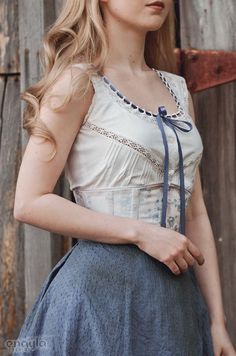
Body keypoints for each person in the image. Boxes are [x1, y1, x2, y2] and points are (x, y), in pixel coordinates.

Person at [12, 0, 236, 355]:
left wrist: (217, 322)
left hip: (175, 300)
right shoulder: (77, 83)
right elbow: (29, 202)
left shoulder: (178, 90)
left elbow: (195, 215)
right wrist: (140, 232)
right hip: (100, 296)